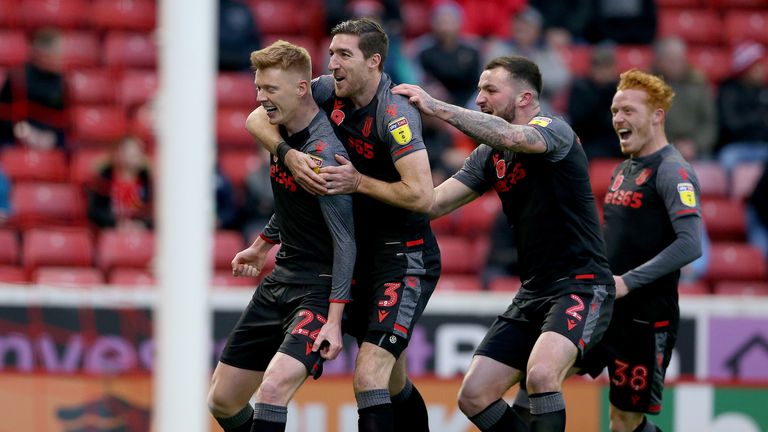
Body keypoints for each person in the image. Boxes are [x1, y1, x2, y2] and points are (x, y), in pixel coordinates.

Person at [393, 55, 615, 431]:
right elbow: (431, 203)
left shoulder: (554, 129)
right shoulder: (488, 156)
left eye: (490, 90)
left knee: (542, 375)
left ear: (525, 97)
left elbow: (514, 136)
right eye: (479, 89)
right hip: (534, 291)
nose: (479, 98)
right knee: (474, 395)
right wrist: (363, 190)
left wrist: (436, 107)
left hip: (582, 284)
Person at [246, 18, 440, 432]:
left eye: (344, 55)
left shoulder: (395, 113)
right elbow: (256, 120)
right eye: (331, 53)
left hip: (401, 258)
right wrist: (289, 154)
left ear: (373, 62)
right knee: (393, 380)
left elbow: (423, 196)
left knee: (369, 377)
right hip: (353, 253)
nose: (332, 63)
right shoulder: (322, 89)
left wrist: (359, 182)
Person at [206, 40, 356, 432]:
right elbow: (295, 205)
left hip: (319, 289)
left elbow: (345, 240)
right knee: (222, 400)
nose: (261, 98)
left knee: (272, 388)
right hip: (281, 279)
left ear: (301, 89)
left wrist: (335, 321)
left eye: (270, 89)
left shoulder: (323, 153)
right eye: (259, 87)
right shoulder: (283, 136)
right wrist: (261, 246)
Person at [577, 69, 703, 432]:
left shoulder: (673, 171)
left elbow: (691, 243)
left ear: (657, 115)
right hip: (605, 309)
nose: (618, 118)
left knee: (624, 423)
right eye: (615, 111)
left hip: (646, 320)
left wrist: (629, 282)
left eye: (629, 110)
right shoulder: (623, 169)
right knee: (540, 372)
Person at [652, 37, 717, 161]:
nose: (676, 64)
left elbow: (709, 123)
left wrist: (695, 145)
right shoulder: (646, 87)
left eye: (680, 60)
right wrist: (672, 146)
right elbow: (644, 127)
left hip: (696, 150)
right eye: (671, 60)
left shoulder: (698, 84)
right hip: (659, 150)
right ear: (659, 61)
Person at [0, 28, 66, 149]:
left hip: (51, 141)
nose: (61, 57)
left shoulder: (62, 81)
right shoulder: (18, 77)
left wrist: (52, 137)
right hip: (15, 139)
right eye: (56, 52)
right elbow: (3, 116)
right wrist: (23, 132)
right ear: (40, 53)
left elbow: (65, 120)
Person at [716, 41, 768, 174]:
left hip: (763, 145)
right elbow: (732, 124)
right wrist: (760, 118)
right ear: (745, 69)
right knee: (727, 159)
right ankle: (728, 195)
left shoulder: (764, 90)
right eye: (757, 66)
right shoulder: (728, 91)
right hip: (736, 146)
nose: (762, 70)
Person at [568, 42, 623, 160]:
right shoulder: (581, 87)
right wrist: (603, 92)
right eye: (599, 66)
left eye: (608, 66)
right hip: (589, 141)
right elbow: (580, 121)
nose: (604, 72)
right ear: (592, 68)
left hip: (615, 141)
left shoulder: (620, 89)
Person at [86, 135, 153, 230]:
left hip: (140, 234)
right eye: (131, 153)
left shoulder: (149, 183)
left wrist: (142, 225)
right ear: (118, 154)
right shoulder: (103, 181)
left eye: (138, 152)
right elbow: (95, 212)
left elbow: (157, 213)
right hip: (110, 233)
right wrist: (116, 224)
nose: (136, 157)